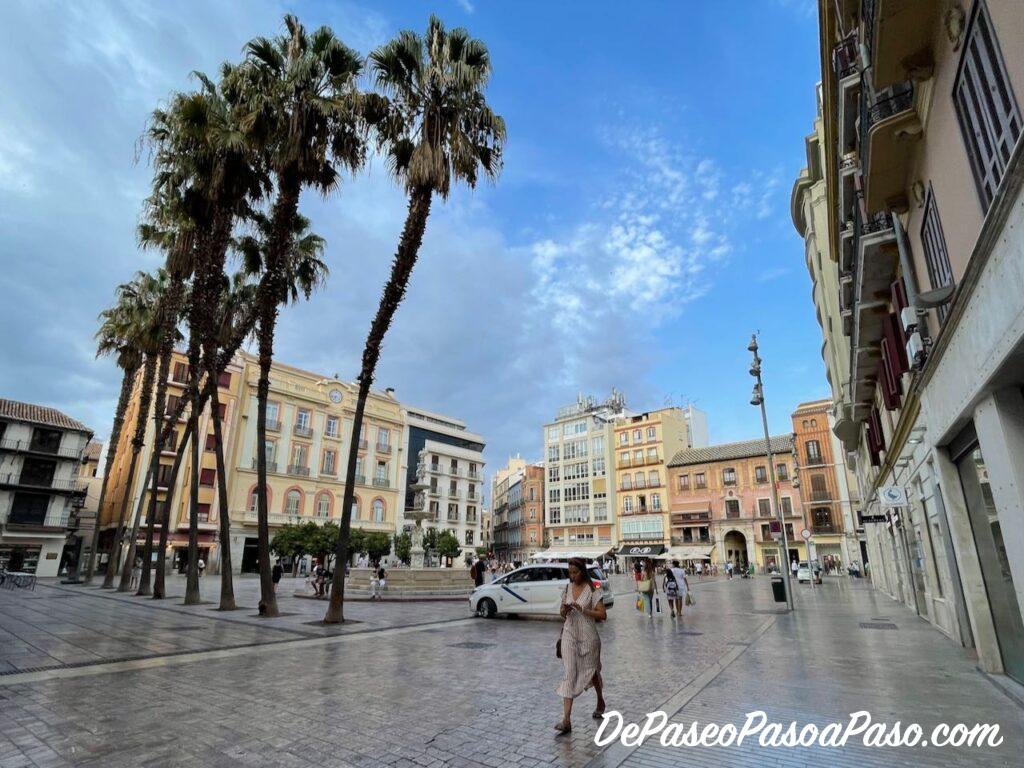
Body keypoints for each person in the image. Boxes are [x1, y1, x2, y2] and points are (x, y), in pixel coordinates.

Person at [554, 557, 607, 734]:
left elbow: (602, 615)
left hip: (589, 637)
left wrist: (583, 609)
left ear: (582, 572)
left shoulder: (593, 589)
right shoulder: (568, 588)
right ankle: (566, 720)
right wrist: (565, 610)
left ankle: (600, 699)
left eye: (575, 572)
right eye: (570, 572)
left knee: (592, 672)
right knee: (569, 673)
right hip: (569, 634)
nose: (572, 576)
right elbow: (561, 613)